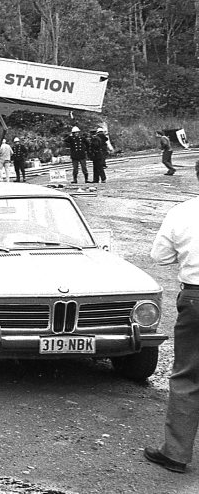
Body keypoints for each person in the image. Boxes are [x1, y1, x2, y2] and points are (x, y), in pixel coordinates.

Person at [144, 159, 199, 474]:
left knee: (188, 375)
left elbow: (160, 256)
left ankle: (177, 453)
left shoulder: (182, 213)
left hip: (195, 297)